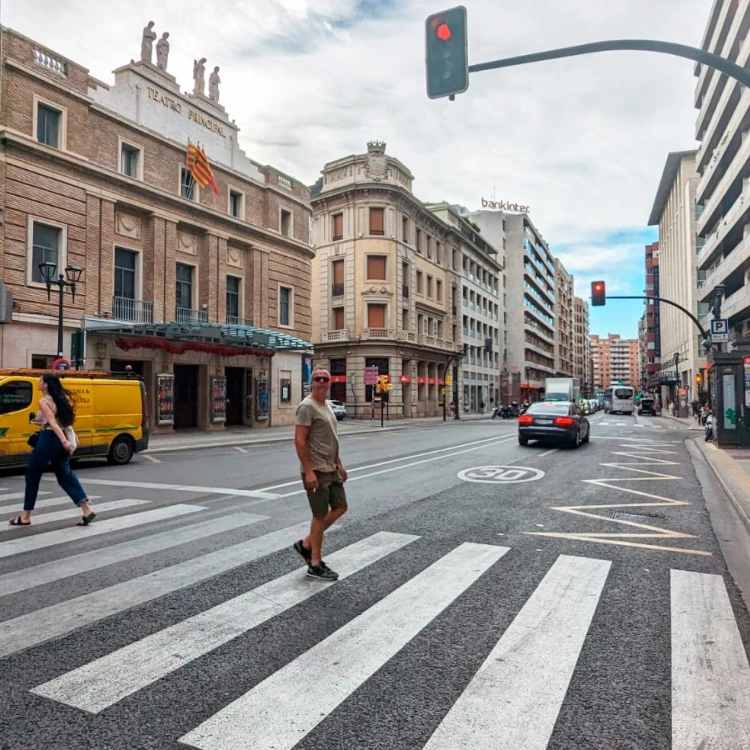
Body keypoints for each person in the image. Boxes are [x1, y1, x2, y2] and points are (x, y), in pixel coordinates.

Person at [8, 373, 96, 527]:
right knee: (64, 474)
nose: (38, 382)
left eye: (40, 380)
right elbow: (65, 422)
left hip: (49, 438)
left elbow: (53, 423)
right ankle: (86, 509)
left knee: (33, 473)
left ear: (46, 384)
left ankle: (26, 516)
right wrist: (71, 438)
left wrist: (64, 441)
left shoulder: (43, 401)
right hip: (59, 438)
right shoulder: (60, 400)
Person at [293, 366, 348, 580]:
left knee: (341, 506)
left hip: (331, 467)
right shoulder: (306, 407)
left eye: (325, 378)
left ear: (330, 382)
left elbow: (330, 439)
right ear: (311, 382)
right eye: (318, 378)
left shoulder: (326, 405)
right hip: (316, 469)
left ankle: (306, 543)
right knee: (319, 515)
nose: (322, 382)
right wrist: (308, 471)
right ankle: (315, 563)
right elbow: (299, 440)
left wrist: (339, 464)